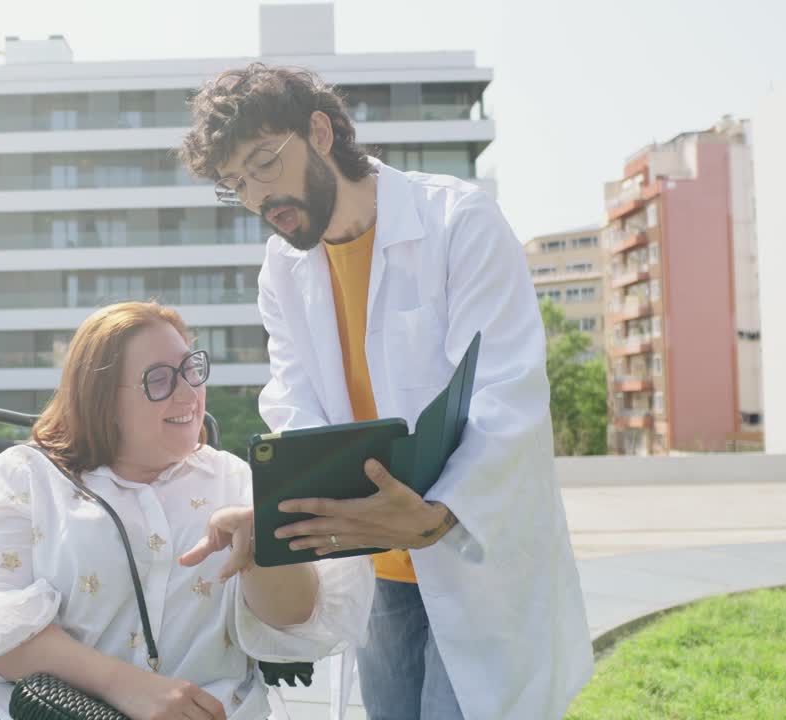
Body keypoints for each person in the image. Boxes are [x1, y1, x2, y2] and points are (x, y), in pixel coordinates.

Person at [179, 64, 594, 720]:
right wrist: (278, 510)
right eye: (237, 184)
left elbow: (506, 396)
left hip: (471, 550)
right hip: (374, 564)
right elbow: (293, 397)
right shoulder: (283, 267)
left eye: (264, 162)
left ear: (319, 131)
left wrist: (437, 514)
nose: (257, 195)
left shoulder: (459, 221)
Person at [0, 301, 374, 720]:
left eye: (191, 369)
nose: (188, 393)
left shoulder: (236, 480)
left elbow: (293, 618)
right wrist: (132, 689)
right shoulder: (26, 476)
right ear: (101, 399)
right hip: (62, 712)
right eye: (160, 380)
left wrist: (262, 548)